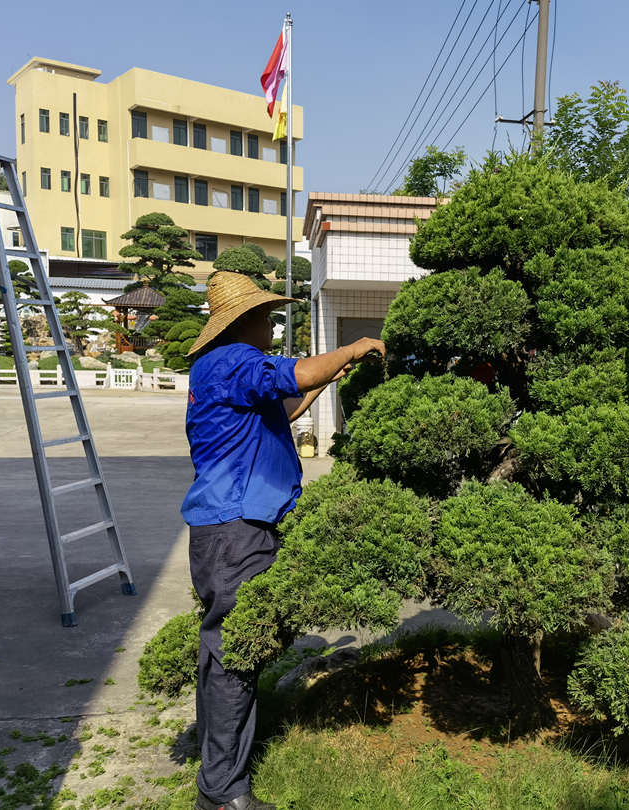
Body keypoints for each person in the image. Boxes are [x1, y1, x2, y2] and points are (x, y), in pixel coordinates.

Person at [181, 271, 385, 810]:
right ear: (243, 322)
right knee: (232, 657)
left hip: (232, 526)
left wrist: (335, 371)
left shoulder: (224, 370)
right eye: (267, 318)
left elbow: (289, 403)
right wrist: (356, 345)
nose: (272, 326)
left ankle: (220, 773)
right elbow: (295, 372)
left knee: (231, 653)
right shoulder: (233, 361)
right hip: (234, 530)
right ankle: (222, 794)